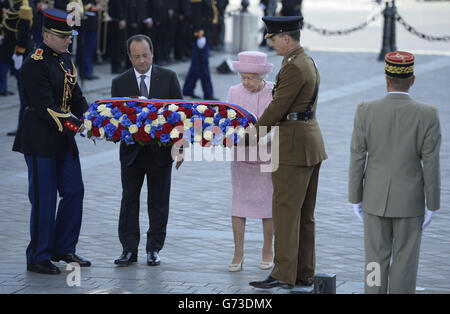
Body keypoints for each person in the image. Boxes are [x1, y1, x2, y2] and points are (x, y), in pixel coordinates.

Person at [349, 51, 441, 294]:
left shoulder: (365, 111)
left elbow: (358, 157)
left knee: (374, 260)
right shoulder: (427, 114)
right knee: (404, 261)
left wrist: (355, 198)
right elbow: (431, 163)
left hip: (374, 198)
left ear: (386, 79)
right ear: (412, 80)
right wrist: (433, 204)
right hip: (410, 201)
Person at [249, 16, 327, 290]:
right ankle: (304, 272)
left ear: (286, 38)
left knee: (285, 211)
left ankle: (283, 274)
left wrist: (250, 136)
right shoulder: (305, 60)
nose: (270, 43)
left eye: (272, 38)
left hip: (294, 146)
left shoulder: (294, 66)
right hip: (308, 141)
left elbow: (277, 107)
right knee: (304, 214)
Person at [12, 8, 91, 275]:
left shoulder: (66, 59)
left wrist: (94, 118)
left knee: (74, 191)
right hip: (41, 139)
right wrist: (77, 125)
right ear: (46, 35)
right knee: (44, 199)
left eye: (70, 36)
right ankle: (38, 255)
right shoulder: (35, 62)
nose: (69, 40)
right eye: (63, 36)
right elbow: (44, 106)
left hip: (64, 140)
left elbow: (76, 97)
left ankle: (63, 247)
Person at [111, 34, 183, 267]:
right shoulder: (119, 82)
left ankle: (154, 248)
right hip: (131, 154)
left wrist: (180, 147)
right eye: (137, 56)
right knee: (129, 200)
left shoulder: (169, 77)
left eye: (145, 55)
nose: (142, 61)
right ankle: (129, 249)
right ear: (129, 57)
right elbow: (115, 119)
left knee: (159, 201)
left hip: (160, 153)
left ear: (153, 53)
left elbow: (180, 115)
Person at [227, 51, 274, 272]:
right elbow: (227, 121)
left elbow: (279, 123)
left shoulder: (274, 91)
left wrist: (264, 137)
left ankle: (268, 249)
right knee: (239, 205)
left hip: (268, 156)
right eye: (243, 77)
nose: (246, 82)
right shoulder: (234, 92)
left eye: (251, 78)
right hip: (241, 157)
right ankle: (238, 252)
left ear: (261, 76)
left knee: (268, 206)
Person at [2, 0, 34, 136]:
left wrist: (19, 52)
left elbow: (24, 32)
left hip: (19, 54)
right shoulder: (13, 6)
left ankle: (24, 126)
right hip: (10, 52)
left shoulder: (24, 8)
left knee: (24, 92)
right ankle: (23, 125)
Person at [182, 0, 218, 101]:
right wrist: (199, 34)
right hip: (201, 34)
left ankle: (187, 90)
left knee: (197, 65)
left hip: (206, 32)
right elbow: (196, 13)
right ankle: (208, 93)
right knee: (203, 65)